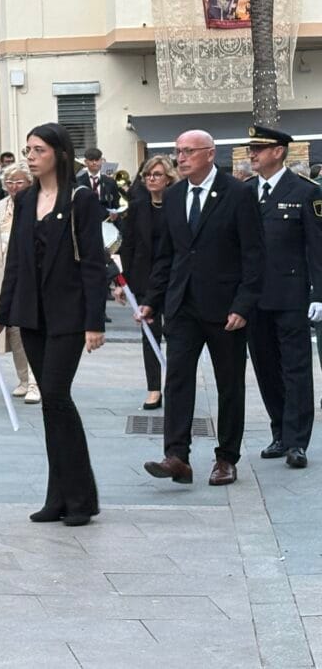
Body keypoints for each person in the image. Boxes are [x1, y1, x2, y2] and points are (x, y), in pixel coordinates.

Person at [0, 122, 107, 526]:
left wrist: (95, 322)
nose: (31, 157)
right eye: (28, 150)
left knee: (56, 396)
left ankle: (80, 498)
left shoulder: (81, 199)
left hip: (68, 315)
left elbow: (93, 262)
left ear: (58, 152)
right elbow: (15, 265)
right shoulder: (24, 201)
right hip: (31, 314)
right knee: (51, 409)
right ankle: (59, 497)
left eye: (38, 150)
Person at [139, 130, 262, 487]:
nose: (181, 157)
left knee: (229, 385)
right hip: (182, 306)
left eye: (189, 151)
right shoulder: (174, 196)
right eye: (178, 151)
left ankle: (226, 458)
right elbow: (167, 255)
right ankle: (177, 456)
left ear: (210, 154)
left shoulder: (238, 194)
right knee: (177, 380)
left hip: (226, 309)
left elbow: (254, 255)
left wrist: (243, 304)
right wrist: (151, 300)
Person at [246, 126, 322, 469]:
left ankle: (297, 442)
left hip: (292, 295)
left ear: (278, 152)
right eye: (251, 148)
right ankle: (279, 432)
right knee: (266, 368)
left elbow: (317, 249)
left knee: (296, 369)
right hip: (255, 297)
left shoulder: (306, 192)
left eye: (259, 148)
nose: (252, 154)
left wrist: (318, 294)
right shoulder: (246, 192)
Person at [0, 163, 39, 404]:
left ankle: (36, 382)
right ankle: (23, 379)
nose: (14, 187)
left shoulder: (35, 205)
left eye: (19, 182)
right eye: (10, 183)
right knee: (11, 331)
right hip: (0, 276)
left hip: (26, 277)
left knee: (27, 329)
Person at [117, 155, 176, 411]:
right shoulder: (138, 206)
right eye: (148, 175)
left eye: (157, 175)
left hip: (173, 279)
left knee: (176, 335)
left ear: (169, 178)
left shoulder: (178, 204)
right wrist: (123, 283)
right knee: (149, 334)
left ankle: (175, 385)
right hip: (143, 278)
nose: (151, 179)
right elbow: (128, 246)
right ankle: (153, 388)